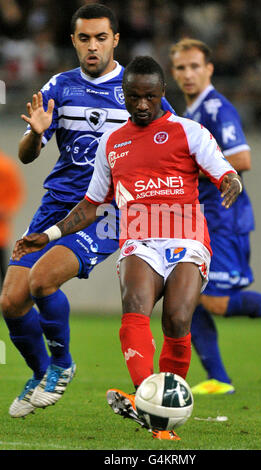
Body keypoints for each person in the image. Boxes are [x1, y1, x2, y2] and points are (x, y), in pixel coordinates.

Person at [12, 55, 242, 440]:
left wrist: (230, 183)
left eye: (149, 97)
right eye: (134, 96)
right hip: (139, 240)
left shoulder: (190, 131)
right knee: (135, 306)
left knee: (177, 320)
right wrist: (49, 235)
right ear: (123, 94)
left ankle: (163, 408)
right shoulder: (111, 144)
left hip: (186, 238)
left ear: (162, 94)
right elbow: (90, 205)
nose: (141, 104)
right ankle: (145, 401)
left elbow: (224, 170)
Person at [0, 3, 173, 420]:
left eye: (100, 38)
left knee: (42, 282)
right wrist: (36, 134)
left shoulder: (136, 88)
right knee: (10, 302)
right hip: (57, 204)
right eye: (84, 38)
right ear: (73, 41)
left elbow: (172, 139)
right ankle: (43, 372)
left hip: (108, 211)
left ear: (115, 39)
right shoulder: (59, 86)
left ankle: (62, 364)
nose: (92, 47)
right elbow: (26, 155)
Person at [170, 38, 261, 394]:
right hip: (206, 218)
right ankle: (218, 379)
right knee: (186, 294)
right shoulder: (192, 112)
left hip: (225, 217)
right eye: (181, 68)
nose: (188, 74)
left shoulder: (217, 108)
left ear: (209, 68)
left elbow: (242, 160)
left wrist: (180, 171)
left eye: (195, 66)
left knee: (215, 301)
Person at [0, 149, 25, 289]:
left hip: (1, 232)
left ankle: (8, 298)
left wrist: (5, 210)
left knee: (3, 271)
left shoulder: (6, 167)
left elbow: (14, 196)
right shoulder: (7, 166)